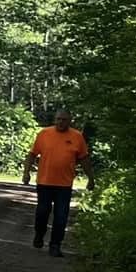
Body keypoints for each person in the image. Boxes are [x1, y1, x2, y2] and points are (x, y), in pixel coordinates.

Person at [23, 110, 90, 256]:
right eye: (58, 119)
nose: (61, 122)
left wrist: (91, 178)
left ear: (70, 121)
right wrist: (26, 173)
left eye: (64, 120)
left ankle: (55, 245)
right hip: (45, 182)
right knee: (42, 212)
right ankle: (39, 235)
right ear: (55, 120)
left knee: (61, 216)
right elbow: (32, 154)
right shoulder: (44, 134)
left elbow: (84, 158)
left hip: (64, 185)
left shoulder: (77, 136)